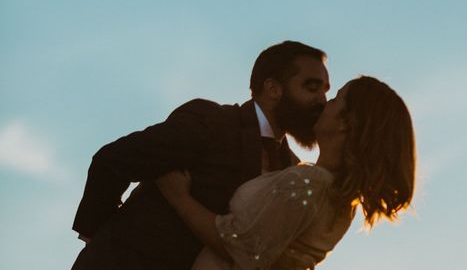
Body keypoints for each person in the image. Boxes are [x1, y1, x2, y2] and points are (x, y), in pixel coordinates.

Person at [71, 41, 330, 270]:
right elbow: (113, 160)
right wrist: (99, 242)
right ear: (273, 88)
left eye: (325, 91)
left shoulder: (291, 168)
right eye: (312, 88)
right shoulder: (211, 123)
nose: (322, 101)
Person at [155, 76, 416, 270]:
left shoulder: (307, 184)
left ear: (347, 123)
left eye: (336, 99)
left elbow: (239, 249)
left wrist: (180, 198)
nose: (325, 104)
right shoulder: (339, 200)